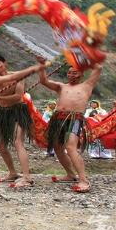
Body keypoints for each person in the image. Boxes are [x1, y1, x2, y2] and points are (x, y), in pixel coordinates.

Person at [39, 57, 103, 193]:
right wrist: (42, 65)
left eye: (75, 73)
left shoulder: (87, 85)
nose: (71, 75)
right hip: (57, 119)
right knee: (57, 147)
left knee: (71, 147)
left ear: (82, 75)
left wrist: (83, 58)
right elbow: (43, 81)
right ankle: (70, 175)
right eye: (69, 73)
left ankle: (83, 179)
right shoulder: (61, 87)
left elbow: (98, 68)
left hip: (74, 119)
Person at [0, 55, 44, 188]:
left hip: (19, 110)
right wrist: (34, 68)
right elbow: (10, 79)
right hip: (4, 112)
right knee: (0, 145)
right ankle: (12, 173)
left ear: (5, 63)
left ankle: (27, 177)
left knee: (18, 142)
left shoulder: (17, 76)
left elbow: (18, 96)